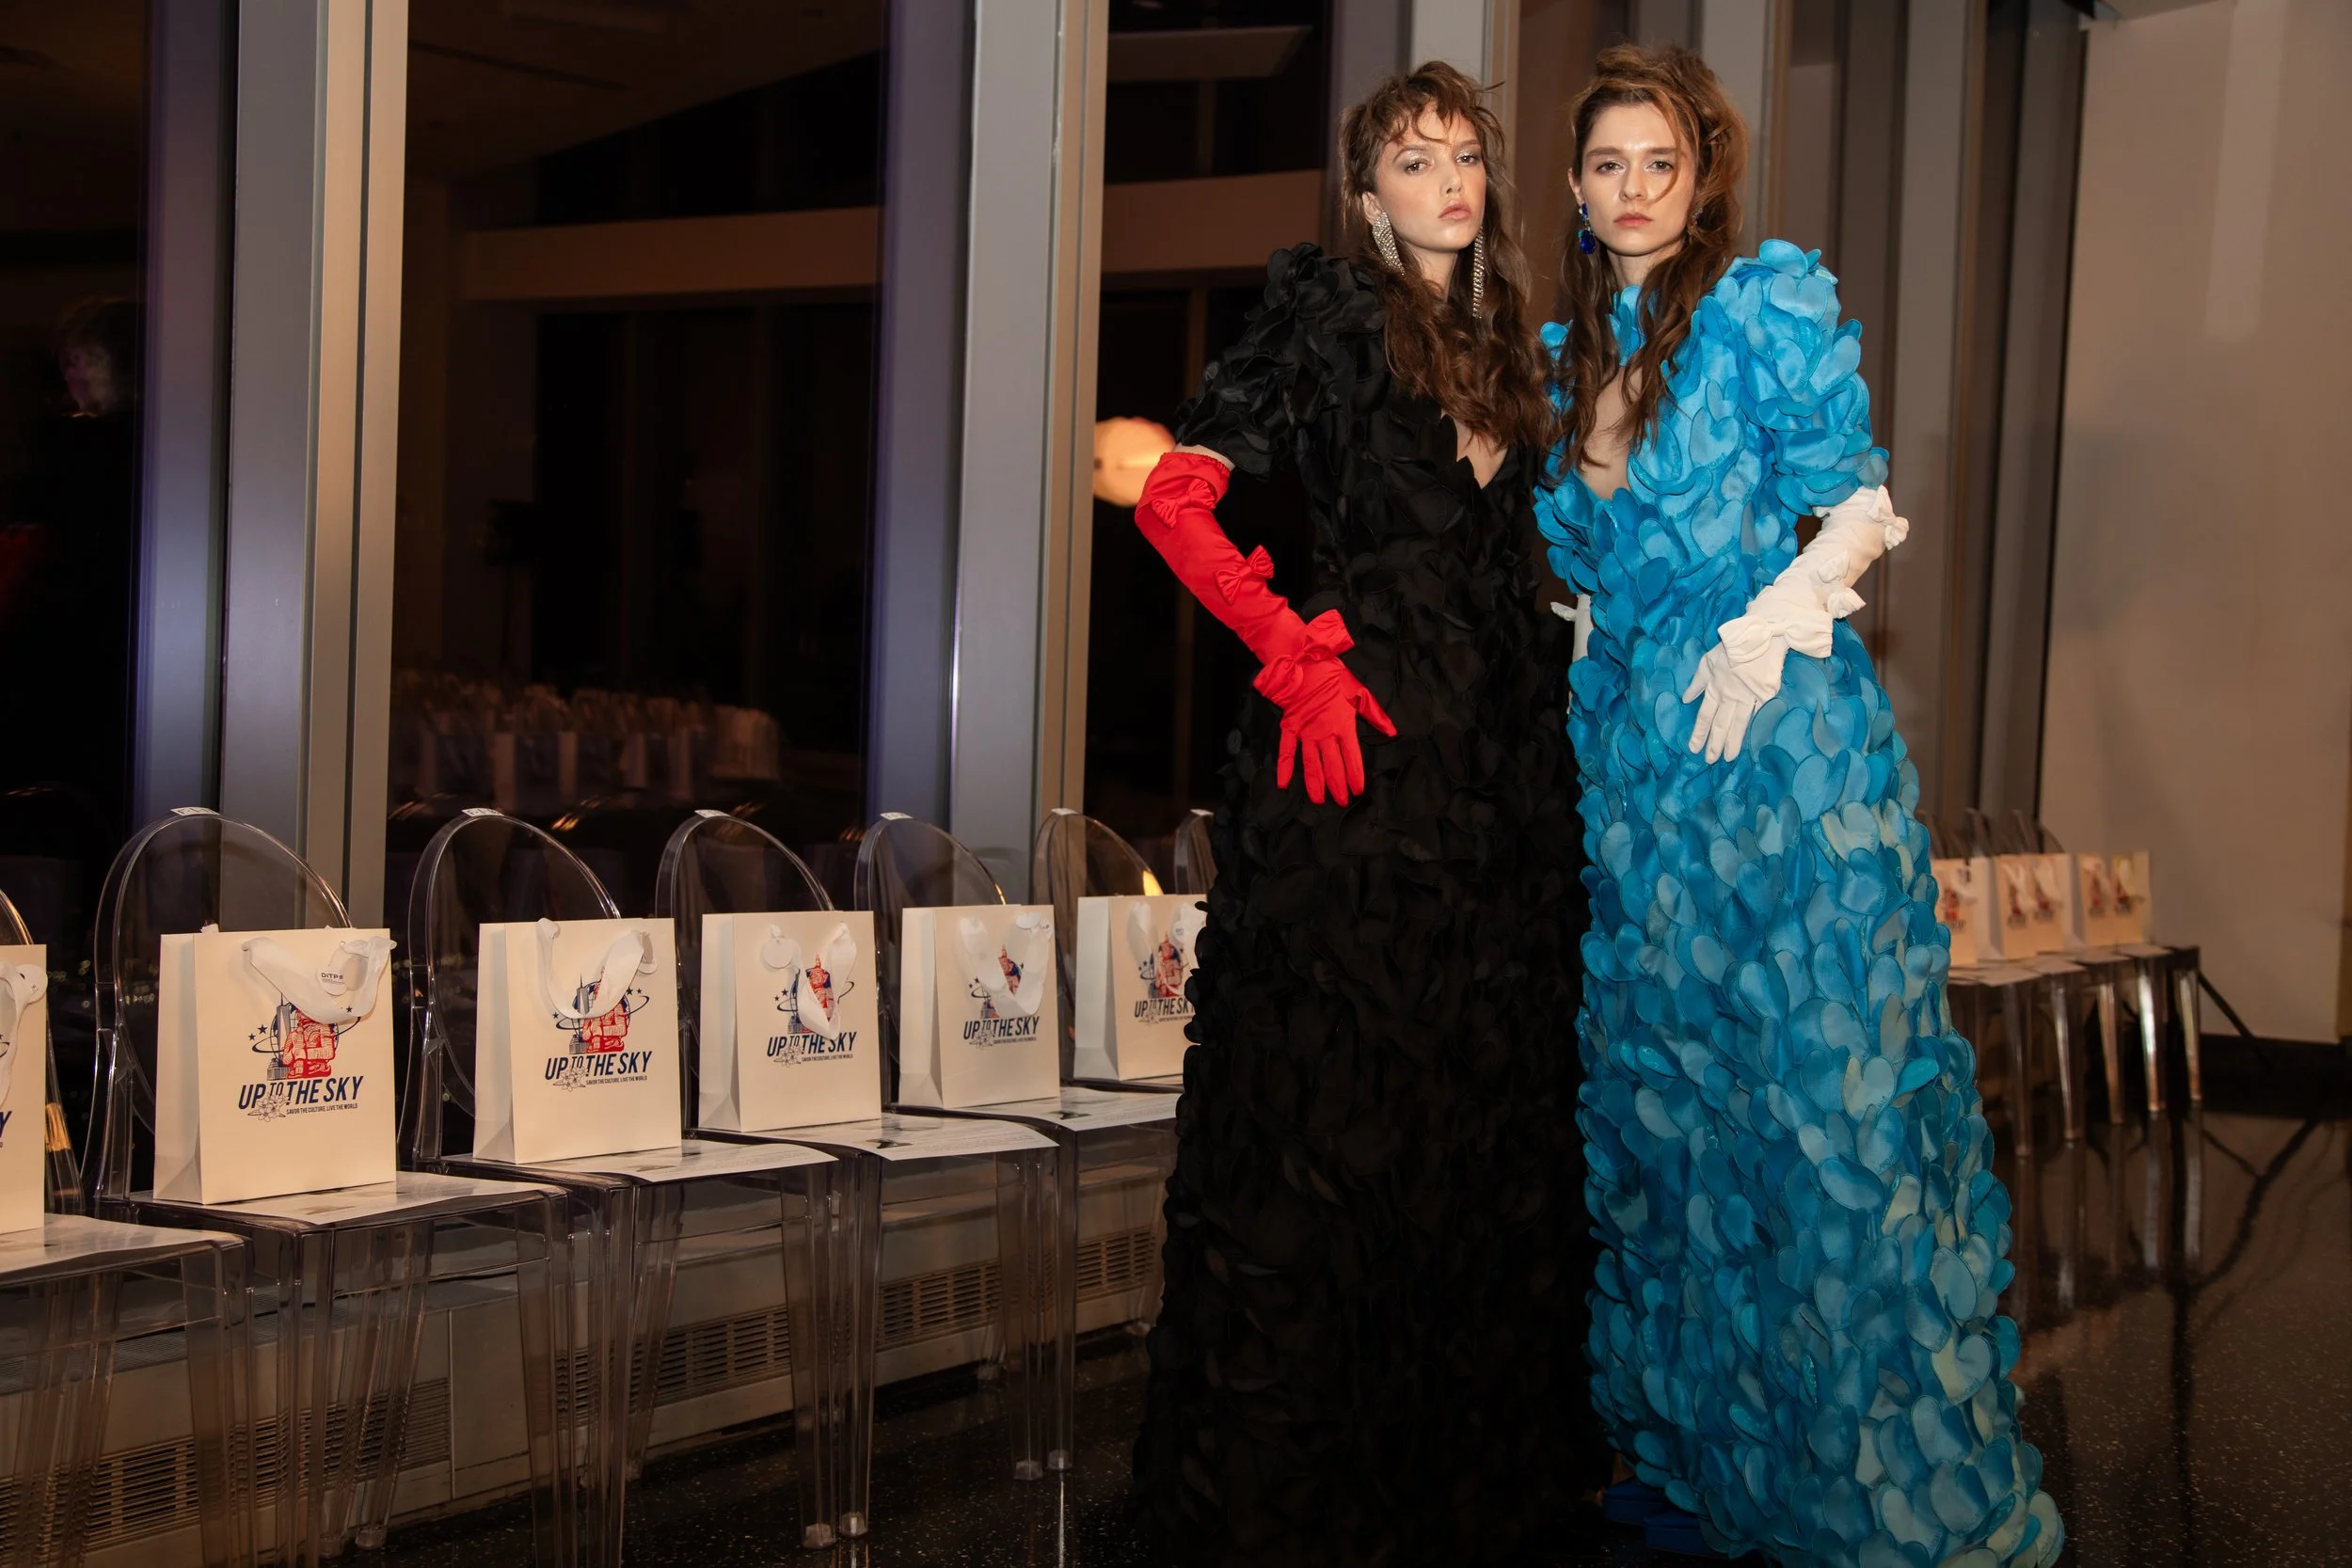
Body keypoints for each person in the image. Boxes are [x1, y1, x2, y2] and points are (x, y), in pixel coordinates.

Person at [1534, 44, 2064, 1566]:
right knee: (1676, 1109)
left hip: (1778, 745)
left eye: (1663, 164)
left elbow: (1858, 507)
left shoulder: (1763, 304)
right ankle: (1707, 1456)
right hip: (1644, 773)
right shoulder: (1578, 345)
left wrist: (1762, 637)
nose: (1636, 190)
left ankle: (1865, 1480)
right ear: (1574, 191)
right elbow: (1585, 572)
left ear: (1701, 181)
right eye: (1610, 166)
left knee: (1812, 1103)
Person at [1132, 61, 1604, 1565]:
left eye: (1466, 155)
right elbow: (1172, 498)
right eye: (1414, 158)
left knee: (1474, 1131)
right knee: (1333, 1122)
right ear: (1367, 191)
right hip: (1354, 767)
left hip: (1497, 785)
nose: (1447, 179)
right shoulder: (1325, 320)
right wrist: (1284, 647)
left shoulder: (1516, 351)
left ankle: (1444, 1499)